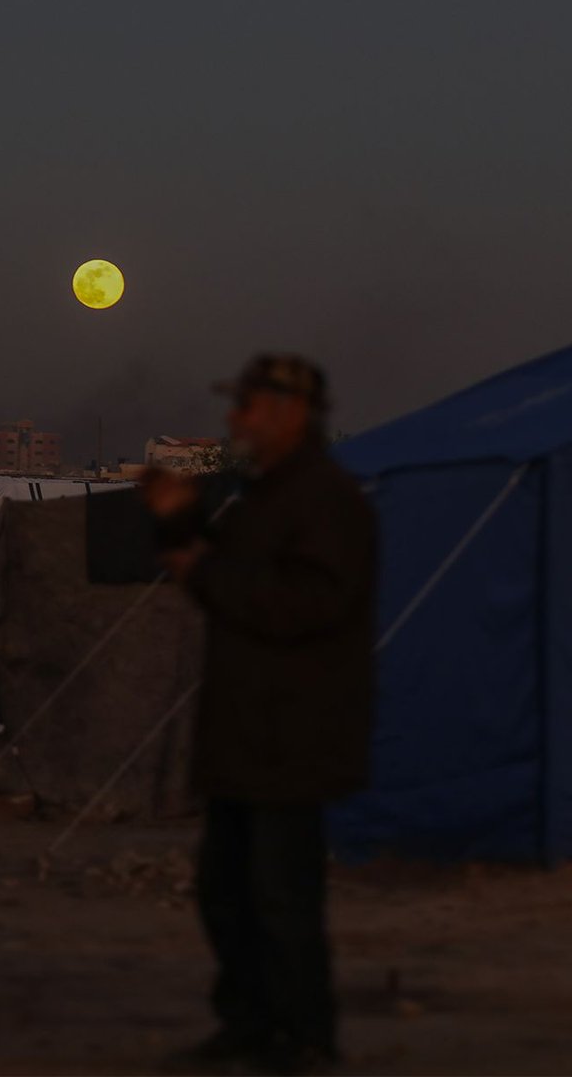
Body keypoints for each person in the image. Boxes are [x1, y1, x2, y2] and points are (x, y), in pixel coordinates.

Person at [144, 355, 377, 1077]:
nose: (234, 420)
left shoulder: (324, 499)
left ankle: (303, 1039)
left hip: (291, 736)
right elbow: (238, 582)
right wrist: (180, 523)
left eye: (246, 407)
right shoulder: (267, 497)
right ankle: (249, 1024)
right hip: (248, 735)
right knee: (229, 891)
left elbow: (305, 603)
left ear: (287, 414)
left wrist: (206, 571)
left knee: (281, 898)